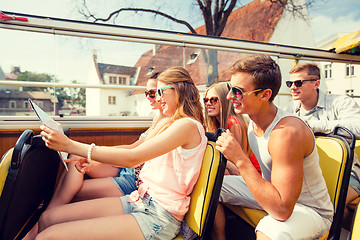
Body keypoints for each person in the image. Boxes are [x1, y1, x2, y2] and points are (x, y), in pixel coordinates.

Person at [34, 66, 207, 240]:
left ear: (181, 89)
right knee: (48, 218)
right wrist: (90, 157)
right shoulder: (174, 123)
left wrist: (69, 146)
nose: (158, 98)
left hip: (158, 216)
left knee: (47, 237)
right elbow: (137, 150)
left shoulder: (187, 126)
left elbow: (133, 158)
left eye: (161, 92)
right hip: (140, 199)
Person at [212, 54, 333, 240]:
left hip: (310, 211)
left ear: (265, 95)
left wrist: (240, 159)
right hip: (274, 194)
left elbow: (283, 210)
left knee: (271, 231)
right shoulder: (253, 124)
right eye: (230, 89)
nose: (229, 96)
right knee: (212, 184)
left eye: (237, 91)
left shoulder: (287, 132)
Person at [284, 62, 360, 221]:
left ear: (316, 84)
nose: (292, 87)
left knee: (327, 207)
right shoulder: (290, 109)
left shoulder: (340, 102)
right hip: (308, 172)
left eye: (298, 83)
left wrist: (315, 126)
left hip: (346, 171)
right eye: (289, 83)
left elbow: (358, 127)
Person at [203, 83, 261, 175]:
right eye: (206, 100)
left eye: (213, 100)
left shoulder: (233, 123)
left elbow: (237, 159)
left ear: (224, 101)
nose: (208, 104)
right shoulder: (216, 124)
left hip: (250, 174)